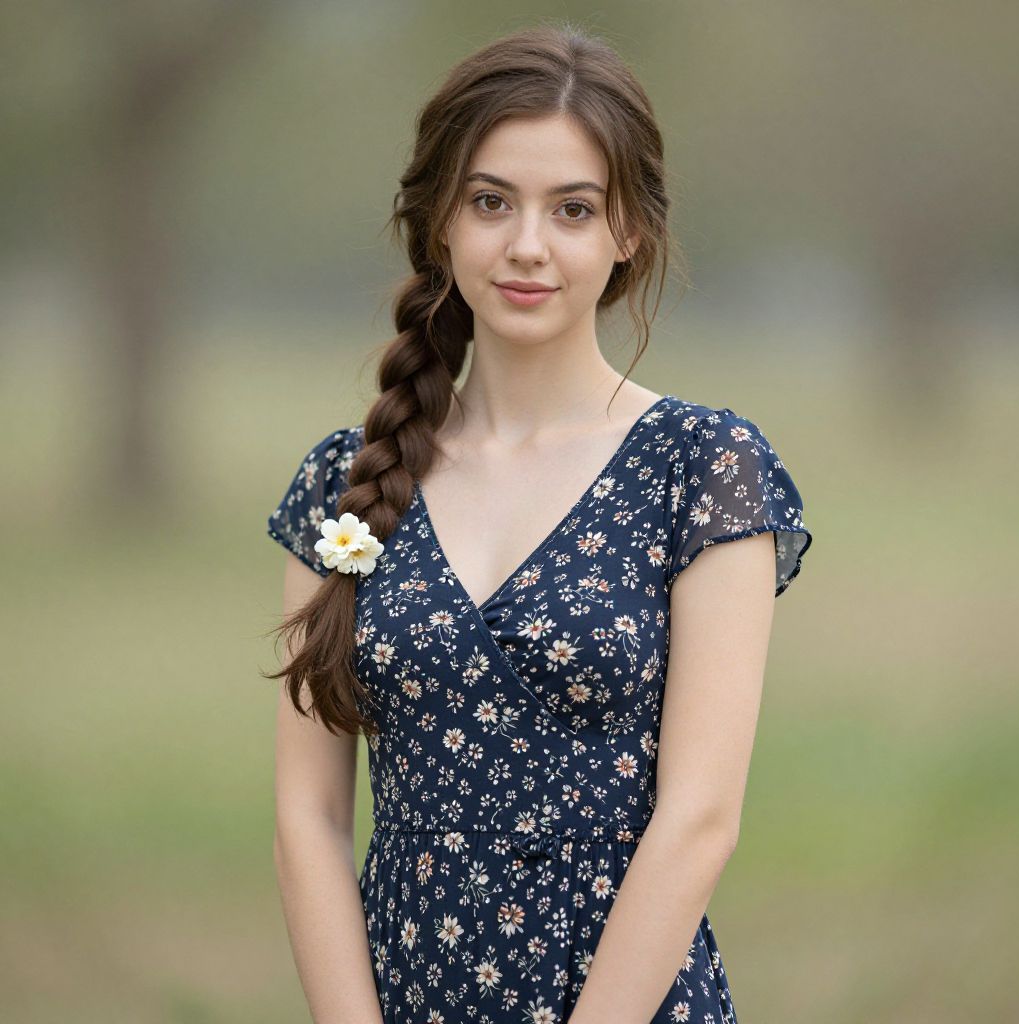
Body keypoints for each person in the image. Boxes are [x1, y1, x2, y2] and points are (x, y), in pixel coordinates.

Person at [264, 22, 812, 1024]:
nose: (526, 244)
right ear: (439, 221)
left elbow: (698, 821)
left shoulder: (701, 469)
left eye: (571, 209)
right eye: (490, 202)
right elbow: (307, 817)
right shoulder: (342, 485)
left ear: (627, 231)